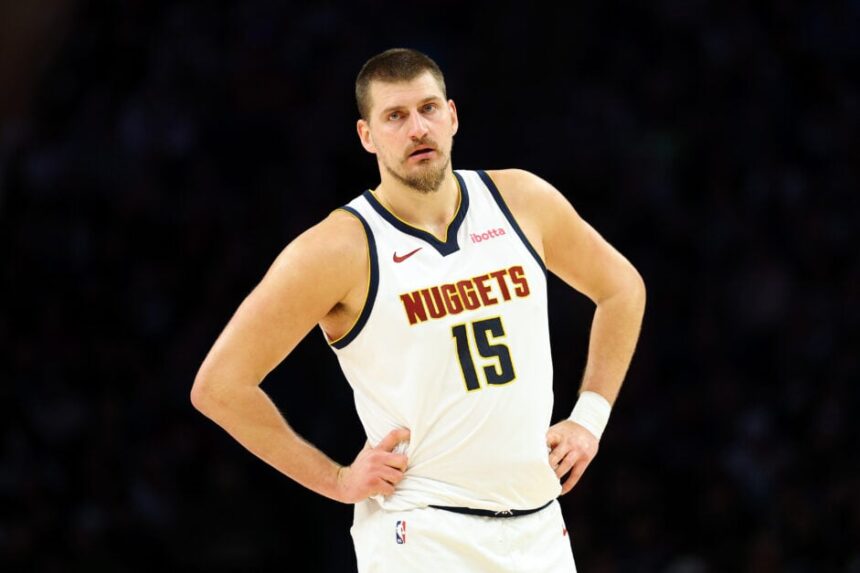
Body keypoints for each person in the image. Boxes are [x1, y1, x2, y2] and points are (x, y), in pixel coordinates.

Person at [191, 48, 646, 572]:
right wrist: (336, 480)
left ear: (452, 115)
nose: (417, 129)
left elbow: (622, 289)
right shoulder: (339, 247)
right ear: (367, 136)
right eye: (395, 116)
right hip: (422, 531)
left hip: (538, 524)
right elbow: (220, 386)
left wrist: (589, 417)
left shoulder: (521, 199)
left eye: (428, 109)